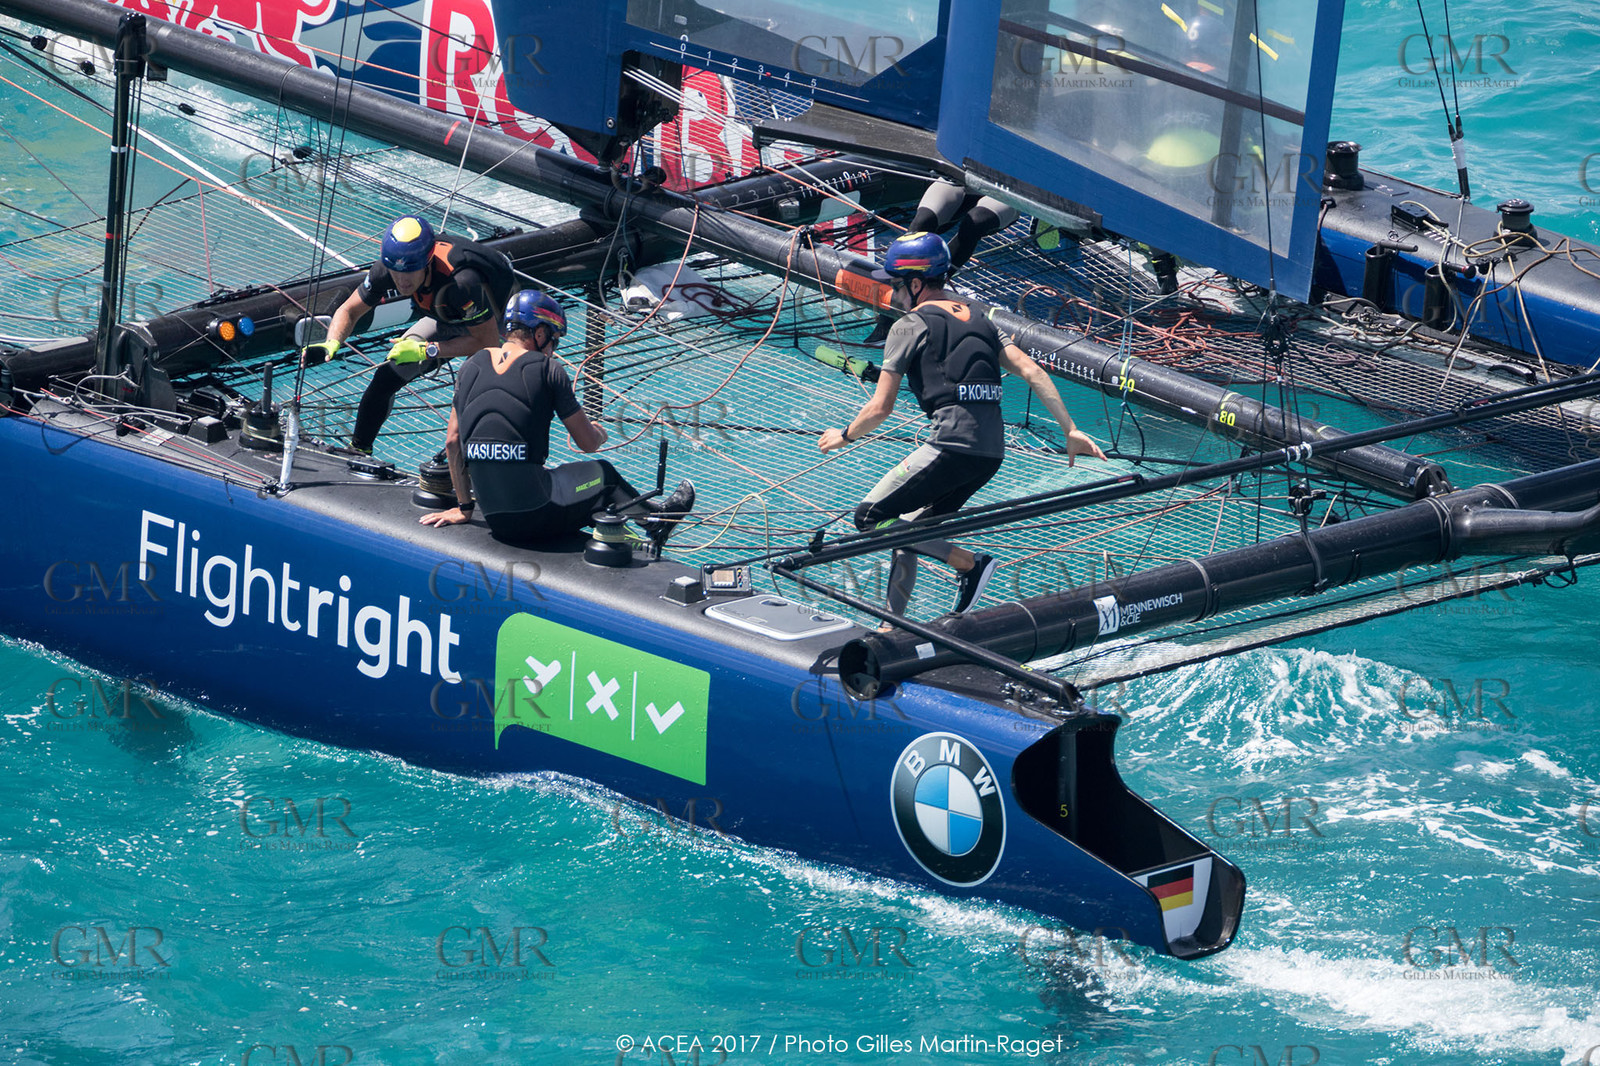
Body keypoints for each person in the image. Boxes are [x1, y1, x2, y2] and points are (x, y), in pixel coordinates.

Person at [820, 231, 1105, 617]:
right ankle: (892, 625)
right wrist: (1070, 430)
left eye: (899, 287)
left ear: (917, 284)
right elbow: (1031, 371)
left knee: (870, 518)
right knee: (910, 533)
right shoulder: (983, 318)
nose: (896, 296)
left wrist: (845, 435)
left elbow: (880, 408)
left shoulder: (908, 325)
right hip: (988, 455)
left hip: (950, 447)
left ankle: (970, 564)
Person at [419, 289, 694, 548]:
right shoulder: (549, 369)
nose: (554, 348)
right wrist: (600, 432)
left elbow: (453, 442)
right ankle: (658, 522)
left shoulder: (470, 364)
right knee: (603, 475)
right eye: (554, 339)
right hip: (536, 515)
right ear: (539, 333)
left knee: (555, 475)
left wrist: (465, 509)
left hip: (495, 519)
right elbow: (587, 444)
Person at [302, 215, 515, 454]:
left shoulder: (461, 283)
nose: (402, 281)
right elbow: (349, 310)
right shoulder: (388, 268)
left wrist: (425, 350)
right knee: (385, 377)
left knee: (469, 394)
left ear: (427, 262)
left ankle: (457, 466)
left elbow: (485, 342)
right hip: (446, 315)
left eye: (411, 272)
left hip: (496, 323)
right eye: (396, 272)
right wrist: (332, 342)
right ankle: (360, 451)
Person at [862, 180, 1019, 345]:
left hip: (1007, 187)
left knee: (974, 223)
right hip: (958, 178)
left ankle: (926, 296)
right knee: (921, 224)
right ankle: (887, 318)